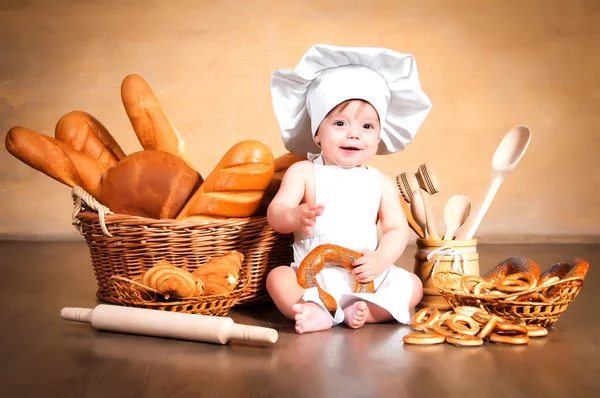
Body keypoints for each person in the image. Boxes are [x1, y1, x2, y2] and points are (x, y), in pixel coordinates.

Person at [266, 44, 432, 334]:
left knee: (414, 286)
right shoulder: (304, 172)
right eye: (340, 123)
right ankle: (317, 310)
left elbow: (396, 229)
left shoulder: (380, 182)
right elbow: (276, 213)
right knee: (277, 277)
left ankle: (368, 312)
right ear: (317, 132)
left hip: (366, 274)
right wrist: (294, 216)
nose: (353, 133)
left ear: (379, 135)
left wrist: (380, 260)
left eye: (367, 126)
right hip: (313, 278)